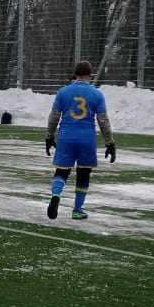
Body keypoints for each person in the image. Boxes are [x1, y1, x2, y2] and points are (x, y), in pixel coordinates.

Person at [45, 61, 115, 220]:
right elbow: (103, 120)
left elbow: (54, 116)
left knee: (62, 171)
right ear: (90, 75)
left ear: (75, 74)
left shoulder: (63, 92)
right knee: (84, 173)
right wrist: (110, 142)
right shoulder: (97, 94)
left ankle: (56, 194)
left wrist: (49, 136)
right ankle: (77, 210)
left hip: (66, 137)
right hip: (87, 138)